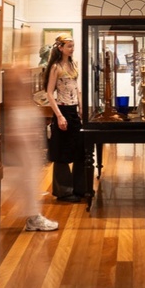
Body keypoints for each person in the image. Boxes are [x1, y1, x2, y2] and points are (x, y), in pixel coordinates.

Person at [3, 30, 58, 232]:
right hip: (20, 121)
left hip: (28, 118)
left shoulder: (26, 68)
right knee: (27, 171)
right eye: (29, 41)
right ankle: (33, 216)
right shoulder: (15, 70)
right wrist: (14, 131)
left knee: (32, 170)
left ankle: (33, 213)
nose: (32, 44)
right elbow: (10, 101)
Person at [43, 33, 87, 202]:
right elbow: (49, 93)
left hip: (74, 110)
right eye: (69, 46)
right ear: (60, 48)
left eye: (73, 45)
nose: (72, 48)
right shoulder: (56, 67)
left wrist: (81, 107)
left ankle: (80, 187)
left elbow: (77, 88)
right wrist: (59, 116)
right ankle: (64, 191)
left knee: (80, 149)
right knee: (61, 151)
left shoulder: (74, 65)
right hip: (62, 110)